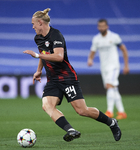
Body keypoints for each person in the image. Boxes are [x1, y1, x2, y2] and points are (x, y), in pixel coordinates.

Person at [23, 8, 121, 142]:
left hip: (67, 77)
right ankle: (70, 130)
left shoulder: (56, 35)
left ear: (40, 22)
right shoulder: (38, 38)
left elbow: (58, 56)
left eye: (33, 23)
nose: (32, 26)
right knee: (47, 105)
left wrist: (36, 55)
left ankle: (111, 123)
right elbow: (44, 54)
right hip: (53, 79)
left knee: (82, 111)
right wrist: (39, 70)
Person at [87, 19, 129, 120]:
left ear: (107, 26)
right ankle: (122, 112)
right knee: (113, 88)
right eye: (99, 26)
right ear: (98, 27)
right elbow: (93, 51)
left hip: (114, 66)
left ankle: (109, 111)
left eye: (103, 26)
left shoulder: (114, 37)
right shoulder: (96, 39)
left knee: (109, 86)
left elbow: (124, 49)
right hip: (104, 67)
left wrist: (126, 65)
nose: (101, 28)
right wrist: (90, 59)